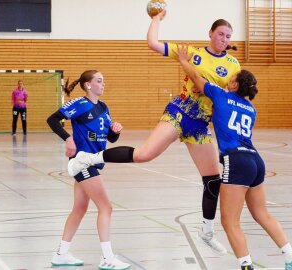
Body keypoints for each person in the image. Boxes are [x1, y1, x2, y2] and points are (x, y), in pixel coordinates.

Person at [68, 11, 241, 255]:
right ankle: (88, 159)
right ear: (210, 34)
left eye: (228, 36)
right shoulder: (192, 52)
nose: (223, 39)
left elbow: (232, 95)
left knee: (213, 179)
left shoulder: (233, 65)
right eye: (220, 34)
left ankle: (207, 232)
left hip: (201, 124)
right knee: (143, 155)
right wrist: (157, 20)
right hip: (180, 112)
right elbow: (152, 43)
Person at [175, 45, 292, 270]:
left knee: (229, 221)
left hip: (236, 161)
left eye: (231, 77)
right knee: (262, 214)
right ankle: (291, 258)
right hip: (255, 161)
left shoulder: (220, 95)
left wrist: (183, 60)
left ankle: (246, 266)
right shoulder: (251, 109)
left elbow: (196, 76)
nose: (228, 78)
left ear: (234, 84)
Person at [46, 70, 130, 270]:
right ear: (88, 85)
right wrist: (68, 138)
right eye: (99, 81)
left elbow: (110, 139)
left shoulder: (103, 107)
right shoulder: (79, 105)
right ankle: (107, 257)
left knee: (79, 209)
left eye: (104, 80)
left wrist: (115, 131)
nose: (103, 84)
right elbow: (52, 119)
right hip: (83, 162)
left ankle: (61, 254)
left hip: (92, 162)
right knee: (106, 207)